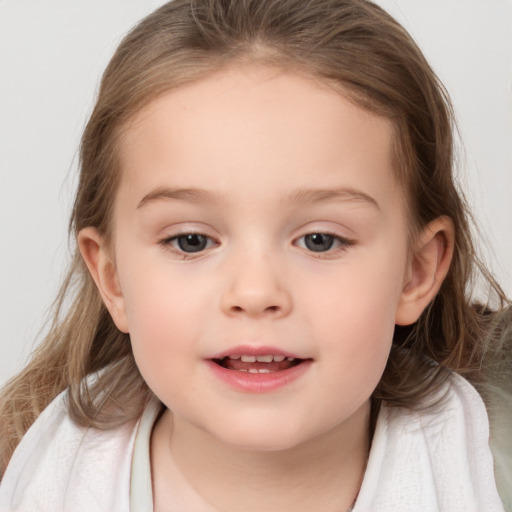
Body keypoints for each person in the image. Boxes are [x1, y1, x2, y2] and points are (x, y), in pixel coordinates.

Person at [0, 0, 509, 510]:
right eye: (191, 241)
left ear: (415, 273)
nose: (255, 292)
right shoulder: (30, 480)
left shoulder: (490, 472)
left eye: (320, 240)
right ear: (112, 279)